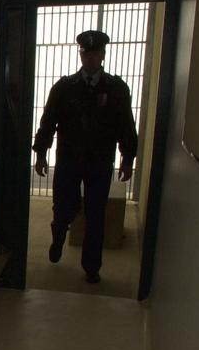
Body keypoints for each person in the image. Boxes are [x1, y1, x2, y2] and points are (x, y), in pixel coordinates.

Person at [32, 30, 138, 284]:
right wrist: (41, 153)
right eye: (85, 54)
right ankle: (58, 236)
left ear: (102, 56)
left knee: (95, 214)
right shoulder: (64, 87)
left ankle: (92, 266)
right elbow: (48, 122)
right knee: (63, 208)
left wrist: (128, 158)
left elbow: (126, 125)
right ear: (81, 55)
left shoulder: (116, 88)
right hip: (69, 159)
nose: (89, 59)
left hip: (100, 161)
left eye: (94, 54)